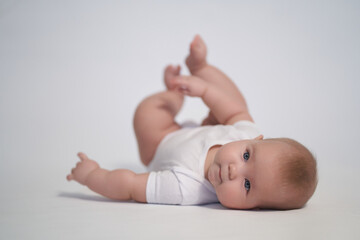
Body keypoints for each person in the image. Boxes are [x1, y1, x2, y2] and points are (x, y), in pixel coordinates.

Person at [67, 35, 317, 210]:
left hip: (161, 141)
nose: (234, 170)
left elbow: (130, 185)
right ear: (255, 140)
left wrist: (93, 175)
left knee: (147, 112)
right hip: (204, 129)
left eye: (248, 185)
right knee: (236, 105)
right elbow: (233, 111)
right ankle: (200, 69)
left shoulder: (185, 187)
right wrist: (205, 92)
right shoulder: (247, 133)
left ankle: (173, 94)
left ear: (254, 209)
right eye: (247, 156)